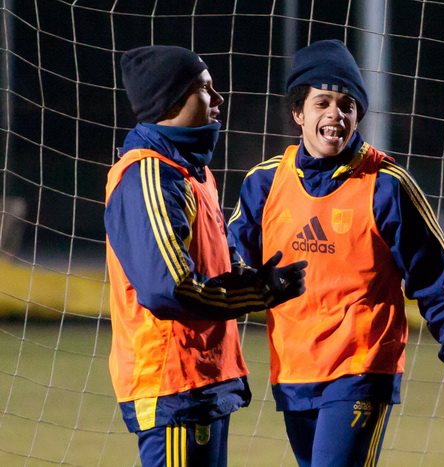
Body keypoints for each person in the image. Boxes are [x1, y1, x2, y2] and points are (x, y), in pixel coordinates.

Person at [227, 39, 444, 466]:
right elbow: (231, 255)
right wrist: (254, 282)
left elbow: (437, 279)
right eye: (322, 103)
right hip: (294, 368)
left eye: (347, 105)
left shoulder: (387, 184)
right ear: (299, 113)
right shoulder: (264, 183)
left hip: (361, 368)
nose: (336, 114)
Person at [104, 45, 307, 467]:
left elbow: (217, 260)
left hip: (201, 379)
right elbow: (168, 289)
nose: (218, 98)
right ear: (169, 102)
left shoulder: (192, 172)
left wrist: (255, 278)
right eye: (204, 88)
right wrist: (255, 295)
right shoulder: (149, 175)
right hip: (173, 383)